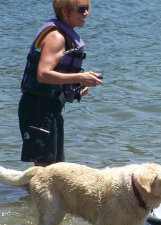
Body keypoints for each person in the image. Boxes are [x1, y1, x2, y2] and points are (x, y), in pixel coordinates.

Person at [18, 0, 102, 167]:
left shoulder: (63, 36)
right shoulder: (56, 37)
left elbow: (55, 75)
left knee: (54, 169)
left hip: (49, 107)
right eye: (81, 9)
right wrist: (80, 78)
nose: (86, 13)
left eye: (87, 9)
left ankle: (23, 193)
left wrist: (76, 89)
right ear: (65, 11)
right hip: (38, 107)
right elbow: (43, 75)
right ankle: (24, 193)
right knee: (43, 171)